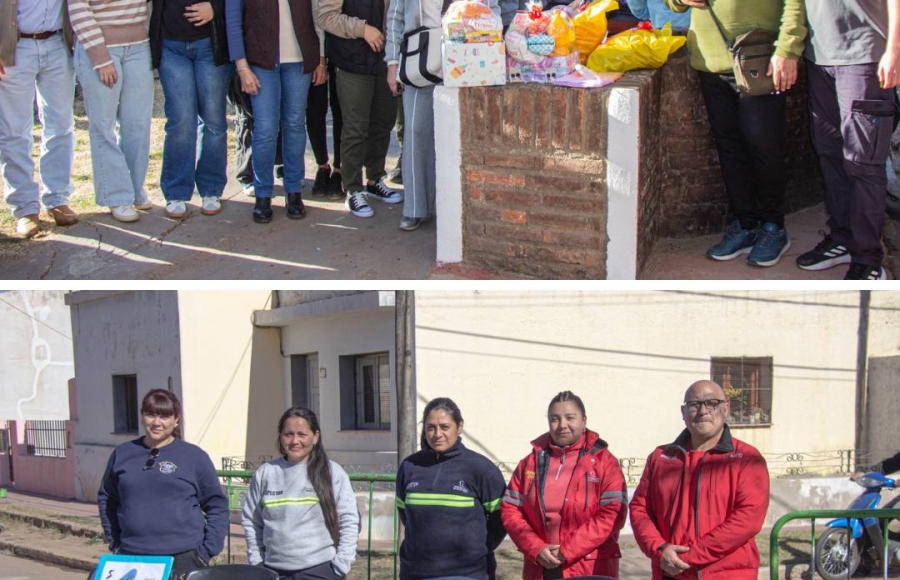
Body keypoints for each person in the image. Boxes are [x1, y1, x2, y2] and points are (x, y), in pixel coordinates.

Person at [665, 0, 806, 268]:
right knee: (729, 148)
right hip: (710, 59)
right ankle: (745, 223)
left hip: (758, 56)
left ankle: (773, 226)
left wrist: (788, 49)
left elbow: (795, 3)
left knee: (764, 146)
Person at [795, 0, 900, 280]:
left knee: (863, 163)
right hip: (819, 57)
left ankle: (868, 259)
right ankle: (843, 237)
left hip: (864, 55)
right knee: (830, 154)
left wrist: (895, 49)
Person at [629, 380, 770, 580]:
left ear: (726, 408)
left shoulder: (746, 458)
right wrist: (659, 549)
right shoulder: (660, 458)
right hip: (669, 572)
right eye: (694, 404)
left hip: (725, 575)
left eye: (711, 403)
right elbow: (640, 509)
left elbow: (748, 519)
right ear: (683, 412)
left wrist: (690, 556)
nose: (703, 411)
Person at [386, 0, 499, 231]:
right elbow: (395, 17)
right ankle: (415, 207)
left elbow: (493, 11)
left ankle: (456, 208)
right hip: (419, 57)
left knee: (462, 134)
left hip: (467, 58)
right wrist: (392, 63)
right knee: (416, 131)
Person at [97, 389, 229, 580]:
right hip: (131, 557)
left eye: (164, 416)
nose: (157, 422)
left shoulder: (194, 457)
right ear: (142, 416)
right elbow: (107, 498)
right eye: (150, 415)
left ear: (176, 419)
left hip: (183, 559)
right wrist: (115, 542)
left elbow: (217, 505)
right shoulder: (122, 454)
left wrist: (205, 552)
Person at [501, 391, 627, 580]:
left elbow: (612, 514)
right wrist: (536, 548)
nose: (562, 425)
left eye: (570, 418)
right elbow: (511, 510)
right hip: (540, 565)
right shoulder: (530, 463)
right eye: (555, 419)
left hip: (589, 567)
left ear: (583, 421)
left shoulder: (605, 463)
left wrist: (566, 551)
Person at [226, 0, 327, 223]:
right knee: (265, 129)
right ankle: (263, 194)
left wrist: (321, 59)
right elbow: (233, 21)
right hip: (260, 62)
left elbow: (317, 13)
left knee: (295, 125)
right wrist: (242, 67)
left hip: (299, 61)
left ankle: (294, 190)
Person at [396, 397, 507, 580]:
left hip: (468, 573)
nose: (437, 434)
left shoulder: (481, 469)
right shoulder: (409, 467)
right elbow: (406, 515)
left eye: (445, 427)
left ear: (460, 426)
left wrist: (477, 548)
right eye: (430, 427)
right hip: (415, 572)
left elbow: (501, 519)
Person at [242, 407, 359, 579]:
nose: (295, 441)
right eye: (288, 434)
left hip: (320, 571)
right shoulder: (266, 473)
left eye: (302, 434)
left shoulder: (332, 473)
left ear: (315, 436)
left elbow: (348, 520)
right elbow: (252, 521)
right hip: (273, 571)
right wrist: (257, 562)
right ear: (280, 436)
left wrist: (340, 566)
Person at [69, 0, 156, 224]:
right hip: (100, 48)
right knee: (103, 126)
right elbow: (78, 8)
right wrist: (100, 58)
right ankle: (116, 196)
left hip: (139, 46)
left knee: (138, 123)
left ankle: (134, 190)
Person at [318, 0, 404, 220]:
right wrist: (363, 29)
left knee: (383, 123)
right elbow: (325, 16)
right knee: (355, 128)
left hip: (386, 61)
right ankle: (353, 188)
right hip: (351, 60)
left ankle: (375, 180)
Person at [0, 0, 79, 238]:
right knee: (14, 131)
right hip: (15, 47)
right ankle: (25, 207)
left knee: (61, 126)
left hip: (57, 43)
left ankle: (57, 198)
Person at [150, 0, 232, 219]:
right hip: (171, 46)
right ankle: (176, 192)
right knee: (181, 121)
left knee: (214, 121)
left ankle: (211, 189)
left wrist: (215, 7)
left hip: (210, 44)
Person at [307, 63, 345, 200]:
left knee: (340, 110)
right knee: (314, 111)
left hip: (341, 55)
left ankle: (339, 170)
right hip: (314, 57)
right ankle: (322, 166)